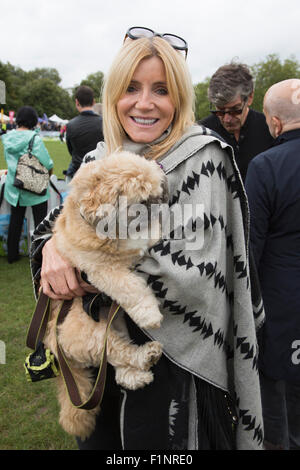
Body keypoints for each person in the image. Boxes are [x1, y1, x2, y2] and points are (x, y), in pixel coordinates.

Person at [30, 27, 264, 450]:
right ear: (113, 93)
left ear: (179, 97)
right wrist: (49, 248)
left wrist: (79, 260)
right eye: (131, 88)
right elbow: (53, 227)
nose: (144, 102)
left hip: (178, 370)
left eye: (161, 89)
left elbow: (193, 272)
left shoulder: (204, 158)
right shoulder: (97, 157)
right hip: (103, 360)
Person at [245, 79, 300, 450]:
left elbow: (250, 246)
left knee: (276, 401)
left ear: (275, 124)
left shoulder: (265, 165)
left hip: (282, 304)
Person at [200, 63, 274, 182]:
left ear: (250, 97)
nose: (227, 119)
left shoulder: (270, 129)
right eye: (220, 111)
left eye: (235, 110)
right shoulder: (202, 133)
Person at [2, 106, 53, 264]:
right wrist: (49, 171)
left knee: (15, 222)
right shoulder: (34, 138)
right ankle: (41, 256)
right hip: (34, 186)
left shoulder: (7, 137)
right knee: (41, 224)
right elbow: (47, 161)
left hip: (14, 186)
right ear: (33, 120)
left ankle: (12, 255)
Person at [65, 85, 104, 179]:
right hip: (99, 172)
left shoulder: (70, 125)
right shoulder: (104, 122)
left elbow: (71, 151)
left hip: (77, 173)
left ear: (77, 102)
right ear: (94, 102)